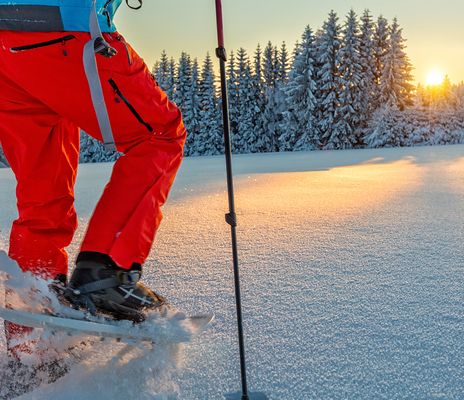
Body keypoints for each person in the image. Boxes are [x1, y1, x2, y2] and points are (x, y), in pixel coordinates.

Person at [0, 0, 186, 360]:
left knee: (44, 195)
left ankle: (34, 333)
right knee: (160, 135)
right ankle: (106, 272)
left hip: (4, 50)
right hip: (62, 31)